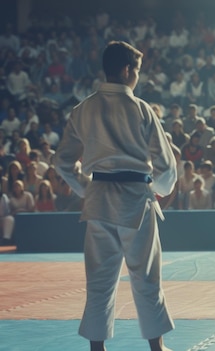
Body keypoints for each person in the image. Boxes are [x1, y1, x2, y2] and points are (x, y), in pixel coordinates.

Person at [54, 42, 176, 351]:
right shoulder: (140, 109)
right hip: (136, 200)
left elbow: (63, 162)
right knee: (146, 278)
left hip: (98, 202)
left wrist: (85, 188)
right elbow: (166, 166)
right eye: (136, 70)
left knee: (99, 281)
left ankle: (97, 348)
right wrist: (159, 190)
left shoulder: (83, 109)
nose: (137, 76)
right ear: (126, 70)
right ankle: (156, 347)